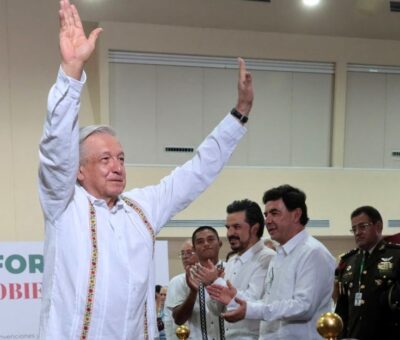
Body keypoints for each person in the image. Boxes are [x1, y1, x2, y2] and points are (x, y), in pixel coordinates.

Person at [38, 1, 254, 338]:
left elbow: (195, 172)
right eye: (104, 159)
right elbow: (54, 151)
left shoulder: (142, 208)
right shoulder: (63, 206)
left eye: (121, 158)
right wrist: (71, 73)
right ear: (78, 171)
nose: (117, 167)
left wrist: (238, 118)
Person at [207, 185, 335, 340]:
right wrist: (236, 297)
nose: (268, 220)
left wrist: (251, 310)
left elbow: (303, 306)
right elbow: (269, 302)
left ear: (296, 214)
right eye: (266, 215)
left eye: (275, 213)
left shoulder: (313, 252)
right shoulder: (279, 255)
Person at [206, 199, 275, 339]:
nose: (230, 233)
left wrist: (217, 282)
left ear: (254, 228)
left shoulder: (268, 259)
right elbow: (216, 310)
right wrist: (212, 284)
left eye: (237, 227)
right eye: (228, 227)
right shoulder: (231, 262)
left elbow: (253, 302)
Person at [335, 206, 400, 340]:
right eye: (354, 229)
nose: (357, 232)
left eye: (363, 226)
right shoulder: (348, 261)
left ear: (378, 226)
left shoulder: (396, 256)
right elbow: (342, 308)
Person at [165, 226, 224, 339]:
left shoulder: (231, 271)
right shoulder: (181, 281)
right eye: (200, 242)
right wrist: (192, 292)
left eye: (210, 239)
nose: (206, 244)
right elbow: (178, 320)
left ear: (220, 243)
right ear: (195, 249)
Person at [164, 239, 198, 339]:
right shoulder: (176, 281)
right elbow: (172, 320)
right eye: (182, 254)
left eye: (189, 252)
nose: (185, 257)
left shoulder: (211, 278)